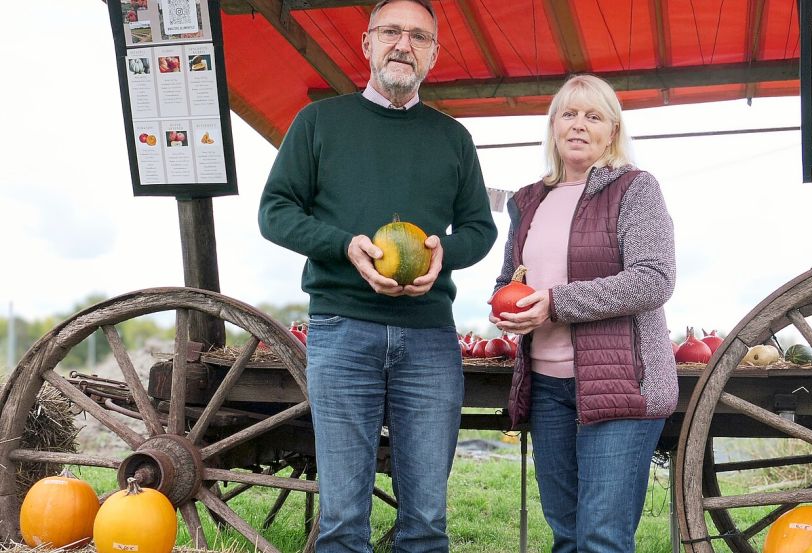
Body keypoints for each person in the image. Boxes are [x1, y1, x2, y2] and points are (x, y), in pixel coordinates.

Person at [257, 0, 497, 550]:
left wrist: (444, 255)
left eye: (419, 36)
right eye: (391, 31)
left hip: (430, 337)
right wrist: (346, 247)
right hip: (342, 330)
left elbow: (480, 229)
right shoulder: (319, 122)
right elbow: (276, 211)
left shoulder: (452, 138)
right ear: (366, 43)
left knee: (428, 520)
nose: (403, 45)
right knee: (342, 520)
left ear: (433, 54)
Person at [490, 74, 678, 553]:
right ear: (553, 127)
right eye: (568, 114)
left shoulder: (635, 189)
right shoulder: (528, 200)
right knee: (567, 534)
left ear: (612, 132)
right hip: (547, 388)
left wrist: (555, 303)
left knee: (601, 538)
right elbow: (511, 279)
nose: (579, 125)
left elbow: (654, 278)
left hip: (622, 387)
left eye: (593, 116)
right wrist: (505, 308)